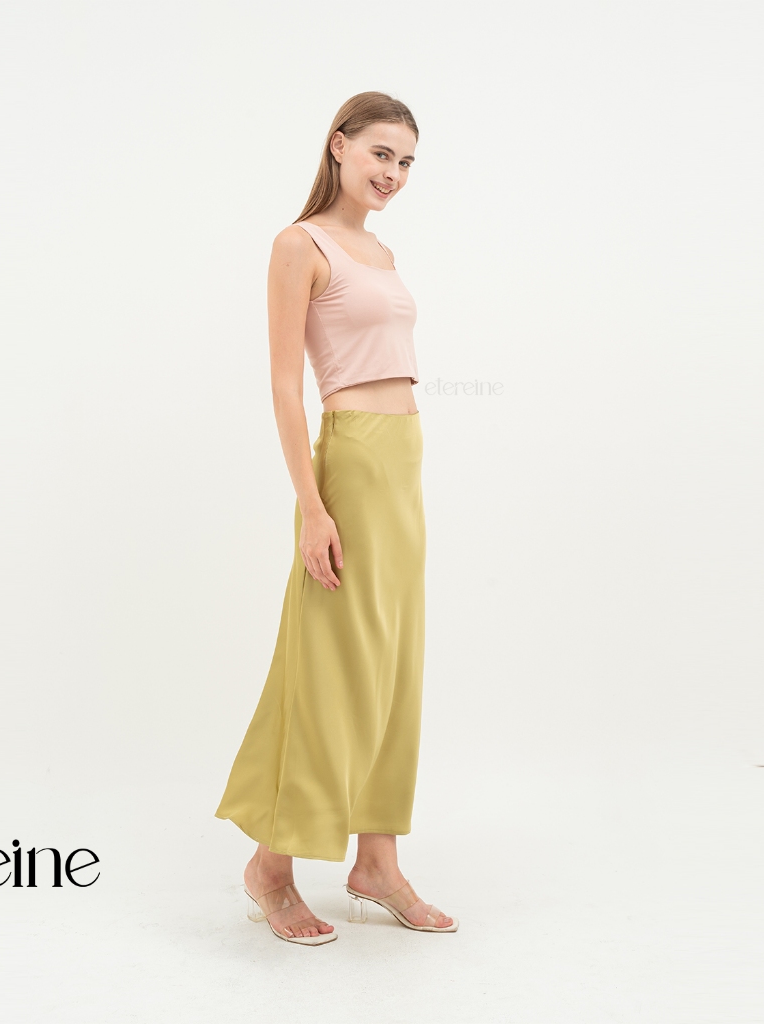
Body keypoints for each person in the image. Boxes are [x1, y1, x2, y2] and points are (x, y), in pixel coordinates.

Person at [215, 91, 457, 945]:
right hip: (350, 461)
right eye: (381, 153)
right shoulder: (300, 245)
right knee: (329, 667)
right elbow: (285, 386)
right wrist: (311, 506)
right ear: (339, 146)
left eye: (407, 162)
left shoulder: (382, 252)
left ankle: (377, 861)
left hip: (403, 460)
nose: (393, 173)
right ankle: (271, 868)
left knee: (393, 661)